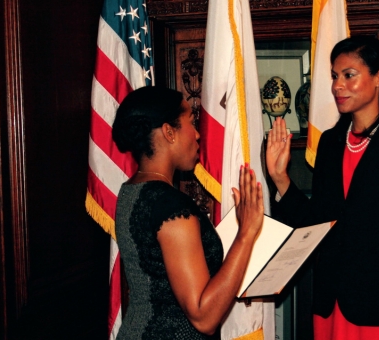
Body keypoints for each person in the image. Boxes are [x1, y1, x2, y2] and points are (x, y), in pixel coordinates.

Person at [266, 36, 379, 340]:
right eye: (334, 76)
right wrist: (280, 177)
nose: (336, 85)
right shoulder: (331, 143)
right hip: (330, 308)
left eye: (349, 75)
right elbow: (317, 224)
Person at [112, 86, 265, 339]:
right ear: (169, 132)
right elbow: (204, 317)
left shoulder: (130, 190)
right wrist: (246, 234)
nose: (197, 134)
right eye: (191, 123)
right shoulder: (171, 206)